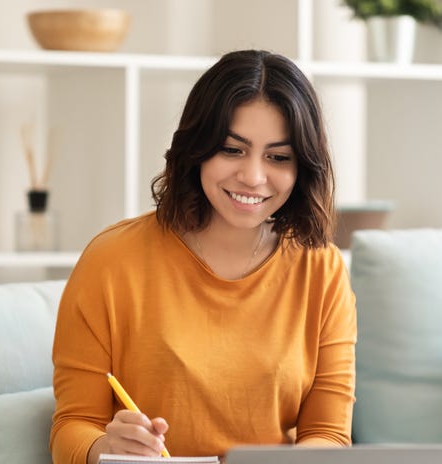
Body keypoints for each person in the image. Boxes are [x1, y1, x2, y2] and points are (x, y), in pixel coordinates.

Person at [50, 49, 357, 464]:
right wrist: (105, 447)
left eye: (278, 157)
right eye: (232, 150)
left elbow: (328, 435)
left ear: (302, 166)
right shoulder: (111, 260)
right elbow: (73, 425)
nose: (252, 176)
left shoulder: (322, 269)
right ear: (196, 148)